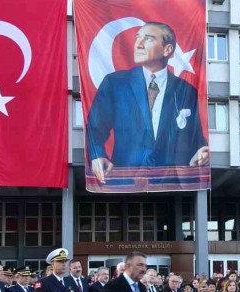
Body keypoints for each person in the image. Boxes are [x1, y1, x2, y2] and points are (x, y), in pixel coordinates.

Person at [86, 22, 209, 185]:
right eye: (138, 38)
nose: (139, 44)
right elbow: (95, 127)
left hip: (169, 184)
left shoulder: (186, 90)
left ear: (167, 49)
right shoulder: (115, 83)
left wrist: (201, 150)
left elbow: (194, 136)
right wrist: (97, 155)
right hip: (124, 182)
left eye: (148, 39)